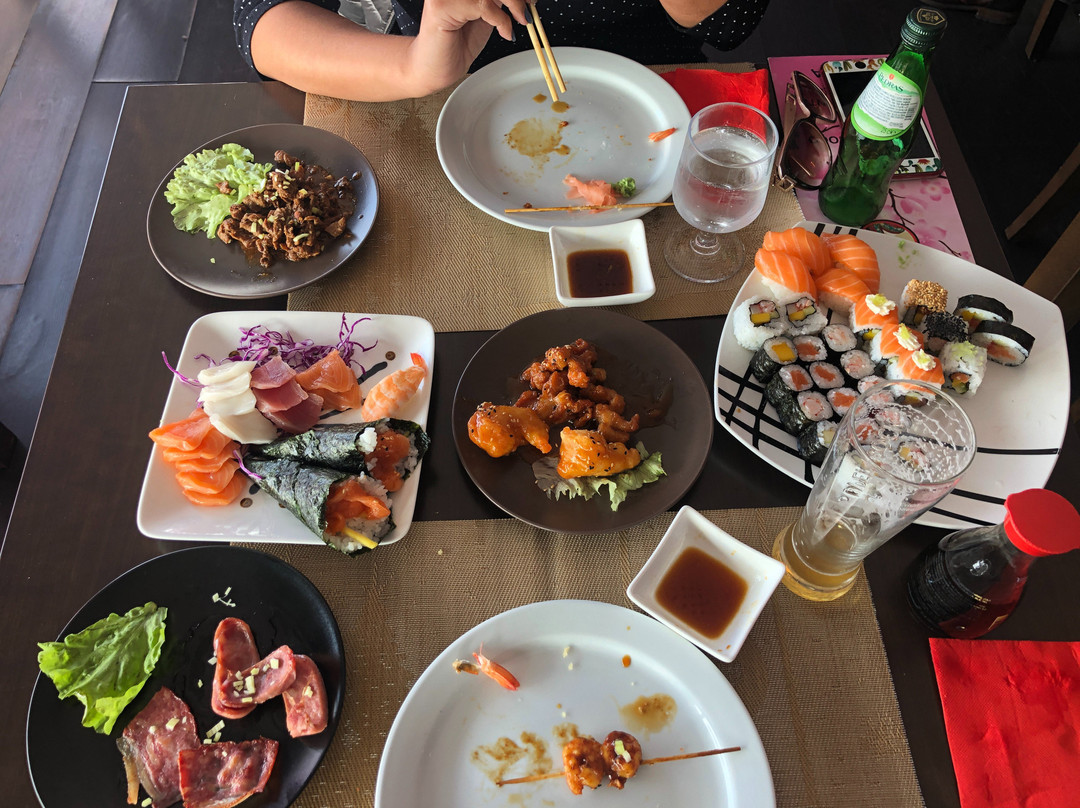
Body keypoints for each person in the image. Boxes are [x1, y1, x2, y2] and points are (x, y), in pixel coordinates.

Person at [234, 0, 770, 102]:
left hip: (652, 88)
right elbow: (260, 21)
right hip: (442, 90)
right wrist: (413, 64)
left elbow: (729, 23)